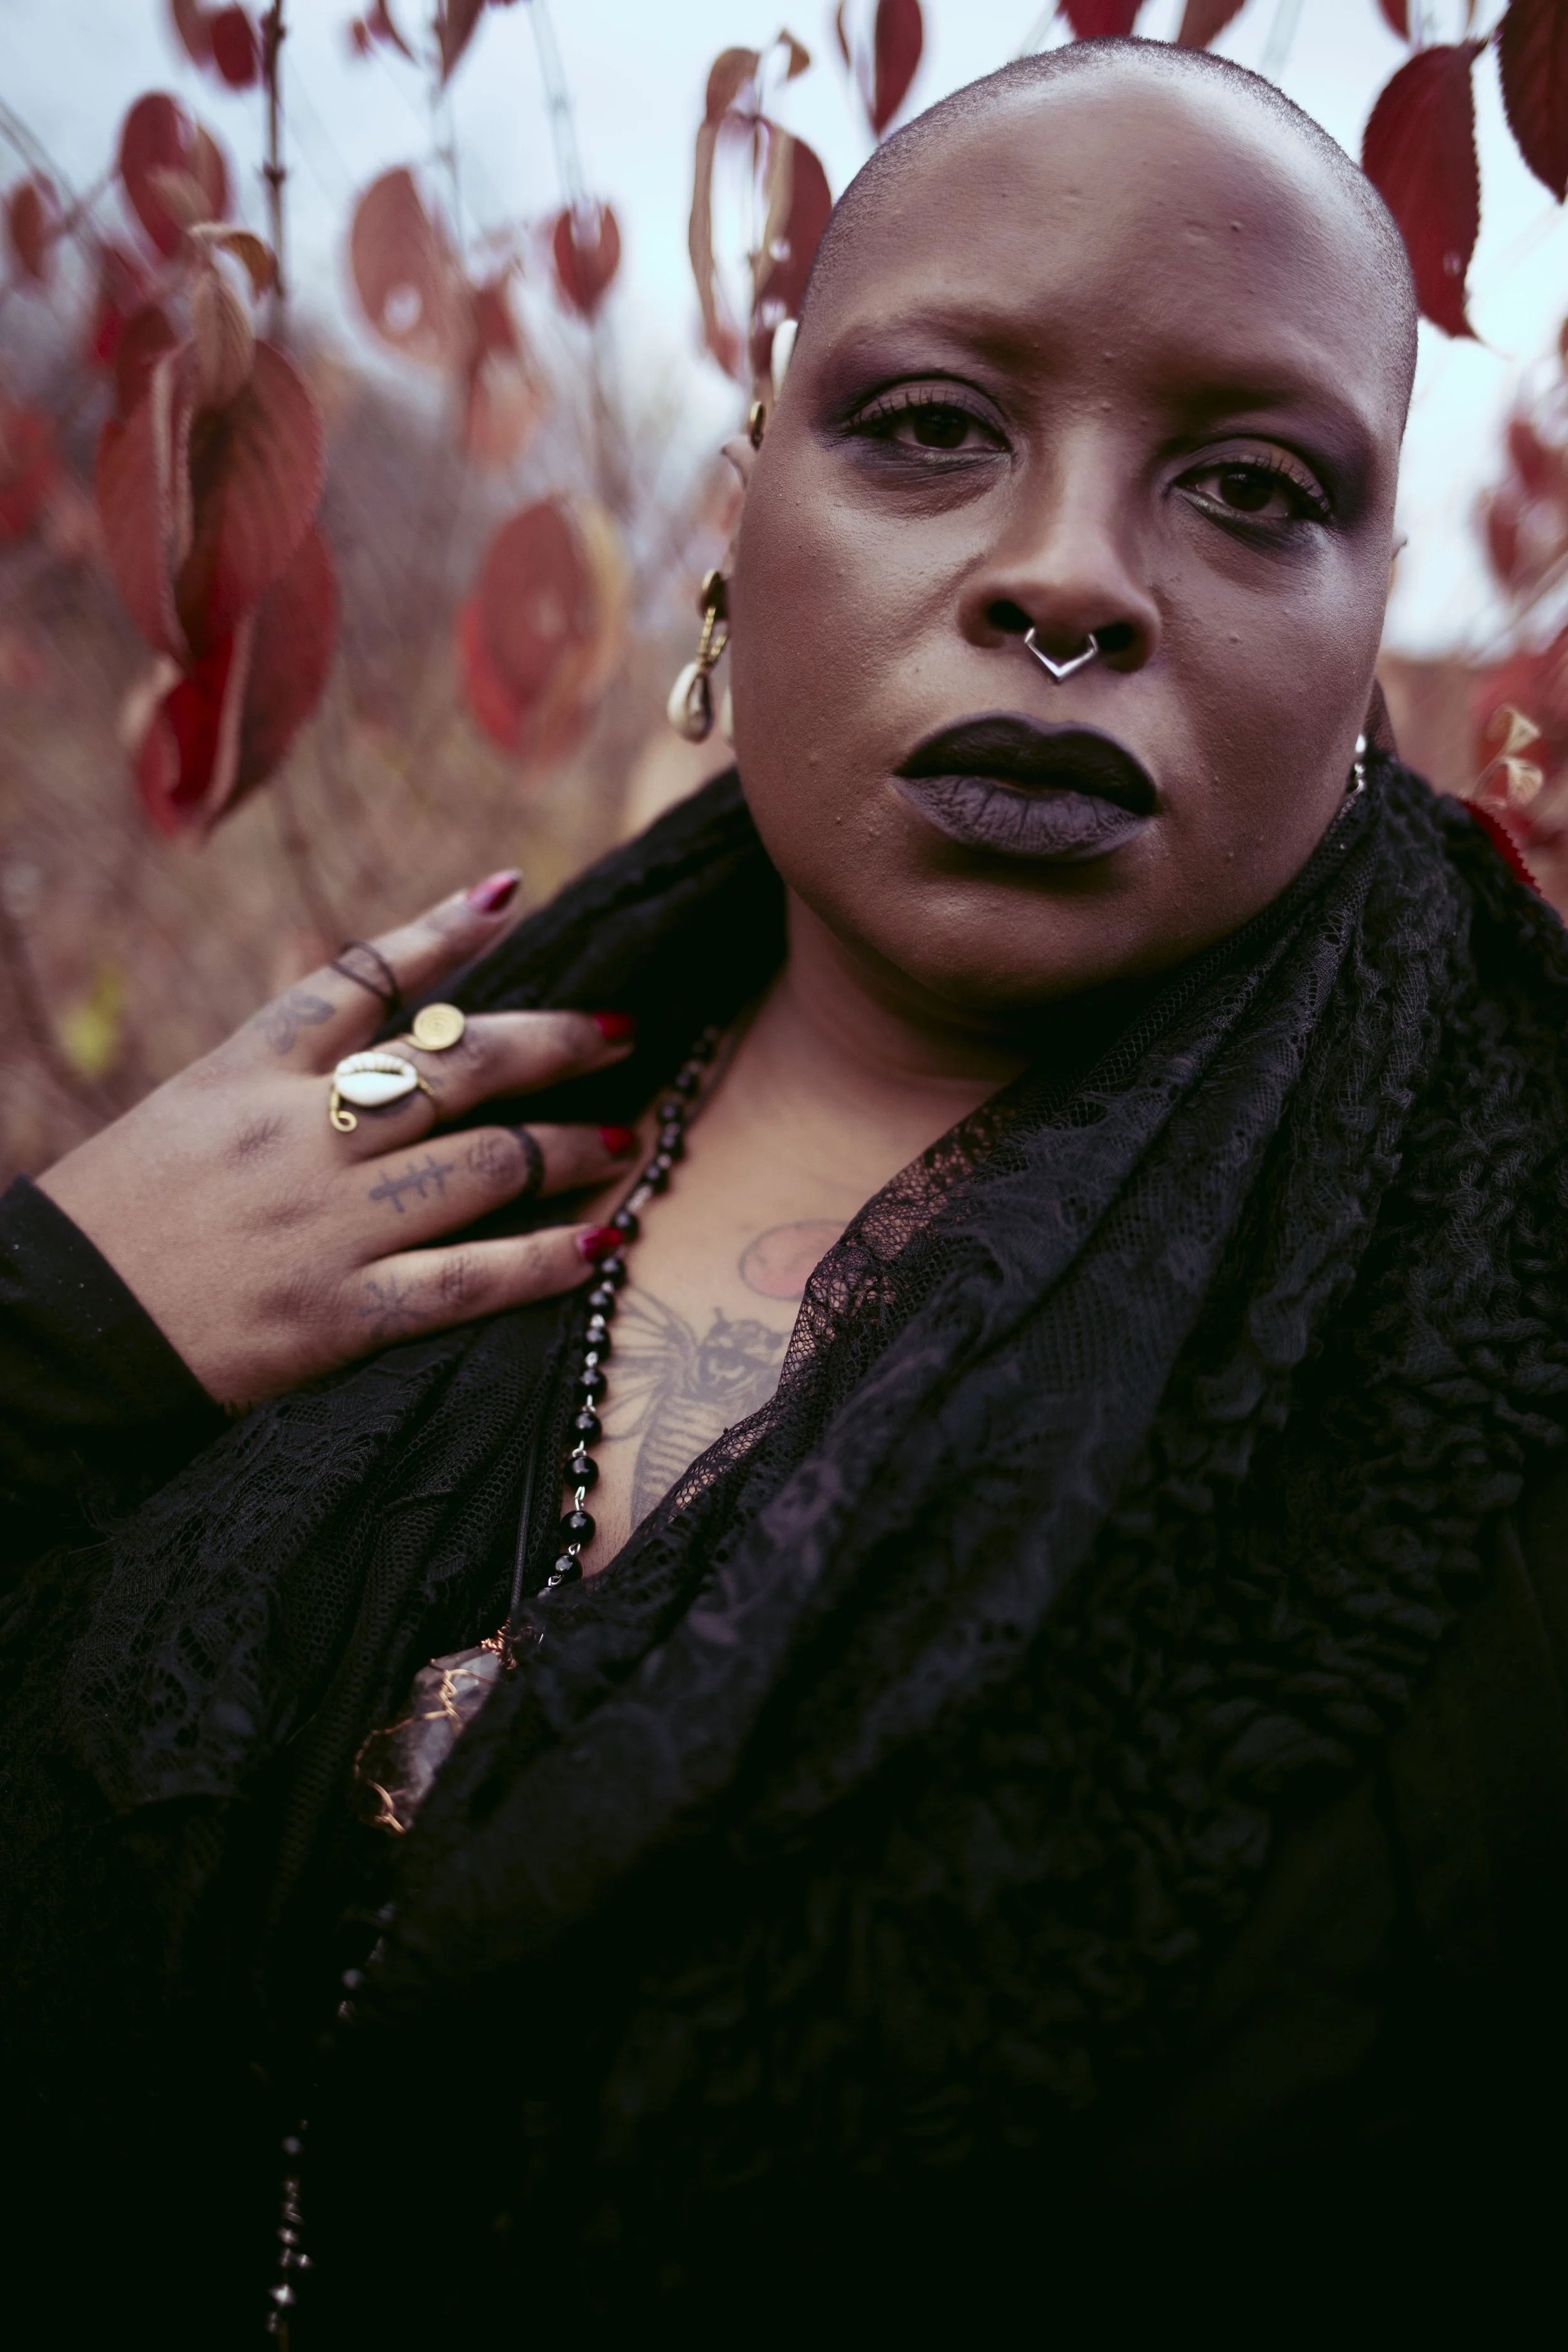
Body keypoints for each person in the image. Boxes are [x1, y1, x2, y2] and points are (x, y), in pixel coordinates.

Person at [4, 36, 1568, 2338]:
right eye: (930, 428)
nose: (1065, 577)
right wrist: (54, 1327)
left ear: (1367, 638)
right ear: (743, 510)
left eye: (1251, 488)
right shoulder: (334, 1170)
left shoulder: (1503, 1343)